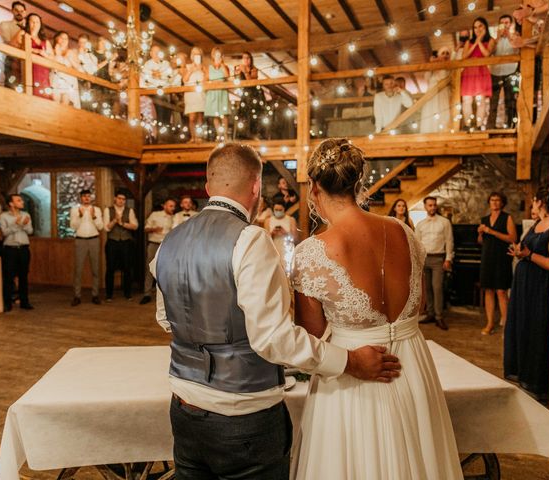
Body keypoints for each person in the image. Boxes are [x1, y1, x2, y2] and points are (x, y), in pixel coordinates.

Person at [153, 143, 401, 479]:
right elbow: (275, 340)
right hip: (242, 417)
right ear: (256, 187)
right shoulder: (250, 240)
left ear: (208, 187)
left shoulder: (171, 240)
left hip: (183, 408)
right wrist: (350, 361)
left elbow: (166, 318)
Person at [291, 138, 462, 479]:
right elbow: (422, 304)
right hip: (412, 367)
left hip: (353, 377)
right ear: (358, 183)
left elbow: (311, 334)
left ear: (313, 187)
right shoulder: (405, 233)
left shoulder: (311, 252)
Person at [504, 185, 549, 401]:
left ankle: (537, 379)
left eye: (534, 200)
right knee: (522, 325)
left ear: (540, 201)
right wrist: (519, 252)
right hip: (524, 283)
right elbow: (525, 248)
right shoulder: (537, 223)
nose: (533, 204)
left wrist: (529, 254)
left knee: (536, 328)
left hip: (538, 286)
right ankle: (522, 371)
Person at [477, 192, 517, 335]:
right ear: (489, 202)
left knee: (501, 291)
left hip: (502, 258)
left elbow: (512, 238)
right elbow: (481, 242)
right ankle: (490, 323)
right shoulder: (484, 219)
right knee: (488, 290)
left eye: (497, 200)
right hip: (487, 257)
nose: (494, 202)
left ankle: (506, 324)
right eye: (492, 200)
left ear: (502, 203)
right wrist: (481, 234)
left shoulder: (507, 218)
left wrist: (491, 231)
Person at [416, 196, 453, 330]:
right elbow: (417, 244)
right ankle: (430, 313)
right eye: (429, 205)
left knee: (437, 288)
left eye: (434, 205)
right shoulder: (420, 224)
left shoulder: (444, 222)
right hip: (424, 259)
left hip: (438, 258)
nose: (432, 207)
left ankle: (439, 316)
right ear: (425, 207)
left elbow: (449, 241)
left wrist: (448, 259)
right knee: (427, 289)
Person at [70, 189, 103, 306]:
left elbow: (101, 226)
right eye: (84, 196)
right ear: (81, 198)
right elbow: (73, 226)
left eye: (89, 196)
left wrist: (94, 216)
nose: (87, 198)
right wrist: (79, 215)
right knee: (78, 270)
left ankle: (95, 295)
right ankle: (77, 296)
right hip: (80, 240)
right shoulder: (75, 209)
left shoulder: (97, 210)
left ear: (91, 198)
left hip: (94, 239)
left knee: (95, 269)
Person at [0, 194, 33, 311]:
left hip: (24, 249)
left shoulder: (26, 215)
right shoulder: (4, 216)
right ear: (11, 204)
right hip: (10, 250)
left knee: (24, 276)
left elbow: (30, 230)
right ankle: (7, 303)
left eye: (22, 200)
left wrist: (23, 225)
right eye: (19, 200)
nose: (22, 202)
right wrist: (17, 224)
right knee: (8, 277)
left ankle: (24, 302)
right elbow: (4, 233)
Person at [103, 190, 138, 301]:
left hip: (126, 242)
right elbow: (106, 228)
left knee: (127, 268)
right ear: (115, 198)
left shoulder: (130, 210)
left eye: (123, 199)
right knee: (110, 268)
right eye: (119, 198)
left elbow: (135, 226)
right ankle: (109, 295)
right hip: (112, 242)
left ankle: (128, 294)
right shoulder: (108, 210)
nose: (121, 201)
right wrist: (115, 221)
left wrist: (122, 223)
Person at [461, 17, 494, 130]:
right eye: (475, 27)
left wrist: (480, 41)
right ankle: (467, 125)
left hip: (482, 72)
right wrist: (475, 43)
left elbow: (486, 54)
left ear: (485, 27)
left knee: (481, 101)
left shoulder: (490, 40)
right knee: (467, 100)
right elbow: (464, 57)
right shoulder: (468, 42)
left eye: (480, 26)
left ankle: (479, 126)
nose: (477, 29)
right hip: (469, 72)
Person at [140, 198, 175, 305]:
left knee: (167, 270)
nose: (172, 208)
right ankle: (147, 294)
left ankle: (167, 296)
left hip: (168, 246)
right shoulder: (155, 215)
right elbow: (146, 228)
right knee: (150, 268)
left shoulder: (174, 218)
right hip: (154, 244)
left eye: (173, 206)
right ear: (164, 206)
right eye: (170, 206)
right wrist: (154, 229)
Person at [487, 15, 519, 129]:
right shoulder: (494, 39)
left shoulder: (515, 37)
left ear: (510, 24)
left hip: (510, 71)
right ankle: (490, 126)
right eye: (502, 23)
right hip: (495, 72)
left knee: (510, 100)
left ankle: (511, 125)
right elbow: (489, 52)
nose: (504, 25)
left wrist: (509, 36)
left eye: (506, 22)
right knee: (493, 102)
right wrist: (497, 38)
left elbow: (516, 48)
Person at [12, 13, 53, 99]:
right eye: (32, 22)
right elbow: (13, 45)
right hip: (29, 67)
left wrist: (44, 54)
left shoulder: (45, 41)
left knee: (43, 94)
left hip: (43, 71)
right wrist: (36, 50)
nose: (35, 24)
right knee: (29, 90)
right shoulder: (23, 33)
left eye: (37, 22)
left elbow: (53, 57)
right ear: (28, 23)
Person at [420, 47, 452, 134]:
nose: (445, 55)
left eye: (447, 53)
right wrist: (432, 65)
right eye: (443, 53)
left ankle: (442, 133)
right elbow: (426, 77)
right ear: (438, 55)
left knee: (443, 112)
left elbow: (443, 76)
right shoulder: (433, 67)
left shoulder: (450, 67)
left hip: (443, 93)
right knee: (430, 112)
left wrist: (440, 64)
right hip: (431, 94)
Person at [234, 52, 266, 139]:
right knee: (244, 115)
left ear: (251, 59)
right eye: (244, 58)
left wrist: (245, 71)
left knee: (254, 114)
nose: (246, 60)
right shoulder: (240, 68)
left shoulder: (254, 69)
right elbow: (237, 81)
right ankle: (244, 134)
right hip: (244, 94)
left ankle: (254, 134)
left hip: (254, 94)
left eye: (248, 58)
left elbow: (250, 82)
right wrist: (237, 73)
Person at [141, 45, 173, 127]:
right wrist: (153, 75)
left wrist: (160, 75)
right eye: (155, 52)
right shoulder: (147, 65)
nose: (156, 54)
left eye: (158, 52)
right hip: (152, 92)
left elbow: (169, 77)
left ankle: (165, 130)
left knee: (166, 113)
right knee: (156, 113)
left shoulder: (166, 64)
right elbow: (146, 78)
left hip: (165, 92)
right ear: (151, 53)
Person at [264, 199, 297, 275]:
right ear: (273, 209)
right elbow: (266, 239)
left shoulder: (291, 219)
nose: (278, 211)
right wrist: (272, 233)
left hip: (287, 249)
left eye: (280, 210)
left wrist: (286, 233)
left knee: (288, 272)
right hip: (274, 248)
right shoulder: (268, 220)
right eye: (276, 210)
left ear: (284, 209)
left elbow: (295, 238)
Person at [205, 46, 230, 141]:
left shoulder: (225, 67)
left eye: (219, 54)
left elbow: (227, 76)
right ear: (213, 55)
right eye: (216, 54)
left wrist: (222, 64)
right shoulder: (209, 68)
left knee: (223, 115)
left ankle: (226, 135)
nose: (217, 56)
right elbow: (206, 79)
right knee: (215, 115)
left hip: (222, 92)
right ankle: (219, 134)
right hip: (213, 92)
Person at [0, 1, 26, 88]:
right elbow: (8, 43)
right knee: (11, 86)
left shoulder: (30, 27)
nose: (19, 13)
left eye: (22, 11)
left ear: (25, 12)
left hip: (26, 62)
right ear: (12, 11)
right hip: (12, 59)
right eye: (17, 10)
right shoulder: (5, 24)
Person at [51, 32, 81, 108]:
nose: (64, 40)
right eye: (62, 38)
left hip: (68, 80)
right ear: (57, 39)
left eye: (66, 39)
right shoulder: (52, 51)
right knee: (55, 101)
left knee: (65, 102)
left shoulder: (71, 52)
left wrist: (70, 59)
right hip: (56, 78)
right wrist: (57, 53)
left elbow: (78, 68)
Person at [184, 46, 206, 143]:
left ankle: (199, 137)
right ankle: (193, 137)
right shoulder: (188, 66)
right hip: (190, 94)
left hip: (200, 93)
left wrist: (201, 69)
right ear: (192, 56)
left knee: (200, 117)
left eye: (198, 54)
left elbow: (207, 79)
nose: (196, 56)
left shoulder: (203, 67)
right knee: (192, 117)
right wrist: (191, 70)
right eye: (194, 54)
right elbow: (184, 79)